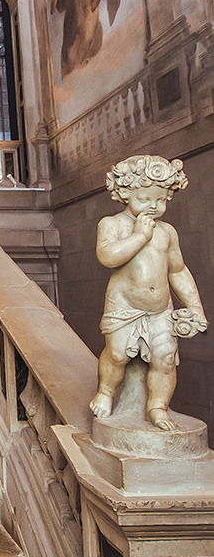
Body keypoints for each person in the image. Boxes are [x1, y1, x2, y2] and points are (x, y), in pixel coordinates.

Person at [90, 155, 207, 431]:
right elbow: (108, 256)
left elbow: (177, 271)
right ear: (125, 193)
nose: (154, 207)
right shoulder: (113, 224)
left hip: (160, 310)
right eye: (145, 199)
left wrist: (195, 307)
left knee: (165, 359)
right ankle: (106, 392)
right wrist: (140, 236)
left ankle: (158, 407)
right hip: (124, 306)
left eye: (161, 200)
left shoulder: (167, 232)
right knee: (117, 354)